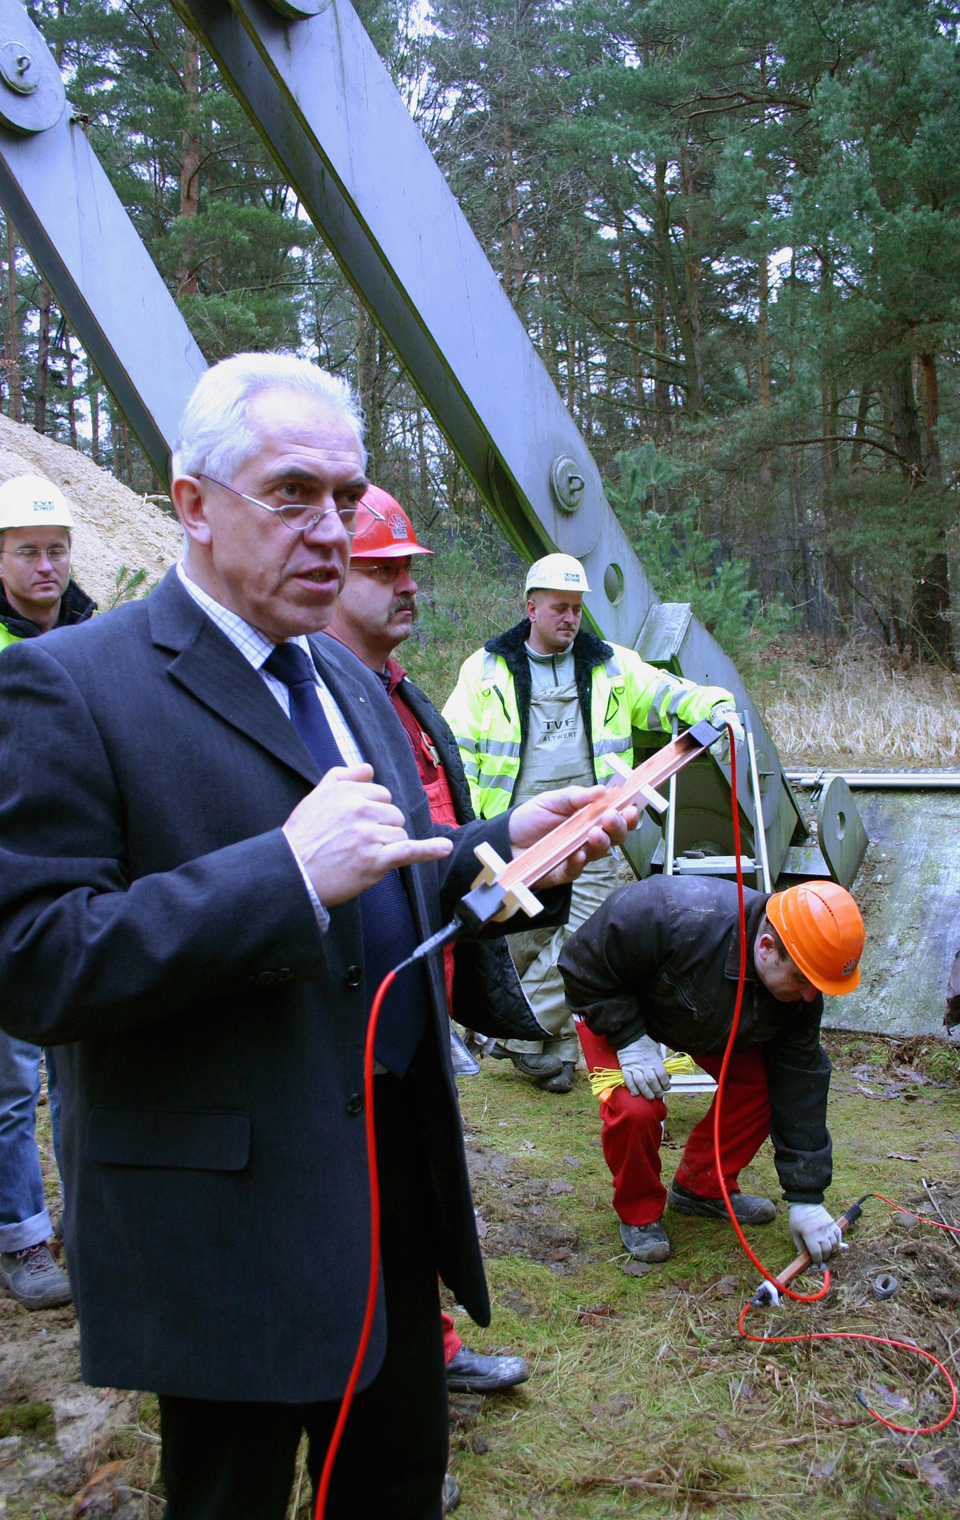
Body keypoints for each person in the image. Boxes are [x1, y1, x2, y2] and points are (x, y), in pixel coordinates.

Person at [0, 353, 634, 1520]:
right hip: (228, 1221)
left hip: (389, 1195)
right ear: (193, 503)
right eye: (295, 494)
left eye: (347, 495)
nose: (334, 528)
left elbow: (396, 879)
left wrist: (508, 850)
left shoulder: (344, 676)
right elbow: (36, 958)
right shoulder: (70, 686)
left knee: (395, 1486)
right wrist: (283, 873)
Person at [327, 487, 535, 1513]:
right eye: (384, 567)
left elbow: (435, 837)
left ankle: (425, 1354)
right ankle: (375, 1404)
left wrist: (518, 847)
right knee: (369, 1209)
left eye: (411, 564)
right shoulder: (326, 701)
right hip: (368, 1012)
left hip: (431, 973)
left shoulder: (396, 688)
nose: (407, 582)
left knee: (415, 1198)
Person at [443, 553, 741, 1093]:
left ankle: (516, 1039)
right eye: (560, 608)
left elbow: (666, 695)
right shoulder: (482, 670)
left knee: (585, 941)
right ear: (531, 608)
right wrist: (468, 828)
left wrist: (713, 703)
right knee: (514, 945)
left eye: (578, 608)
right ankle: (550, 1051)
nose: (571, 618)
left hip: (593, 833)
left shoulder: (612, 665)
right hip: (511, 835)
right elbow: (454, 749)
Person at [558, 877, 865, 1264]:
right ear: (767, 947)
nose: (809, 997)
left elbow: (799, 1081)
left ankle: (701, 1186)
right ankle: (639, 1214)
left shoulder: (801, 995)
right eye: (803, 980)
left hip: (700, 1016)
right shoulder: (667, 913)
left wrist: (806, 1198)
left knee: (766, 1085)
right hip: (615, 1005)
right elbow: (579, 963)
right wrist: (630, 1038)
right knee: (636, 1108)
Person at [0, 474, 92, 1309]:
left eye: (56, 550)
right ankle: (24, 1238)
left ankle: (92, 1225)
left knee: (81, 1071)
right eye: (27, 551)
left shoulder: (95, 634)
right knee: (6, 1077)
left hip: (80, 879)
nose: (44, 567)